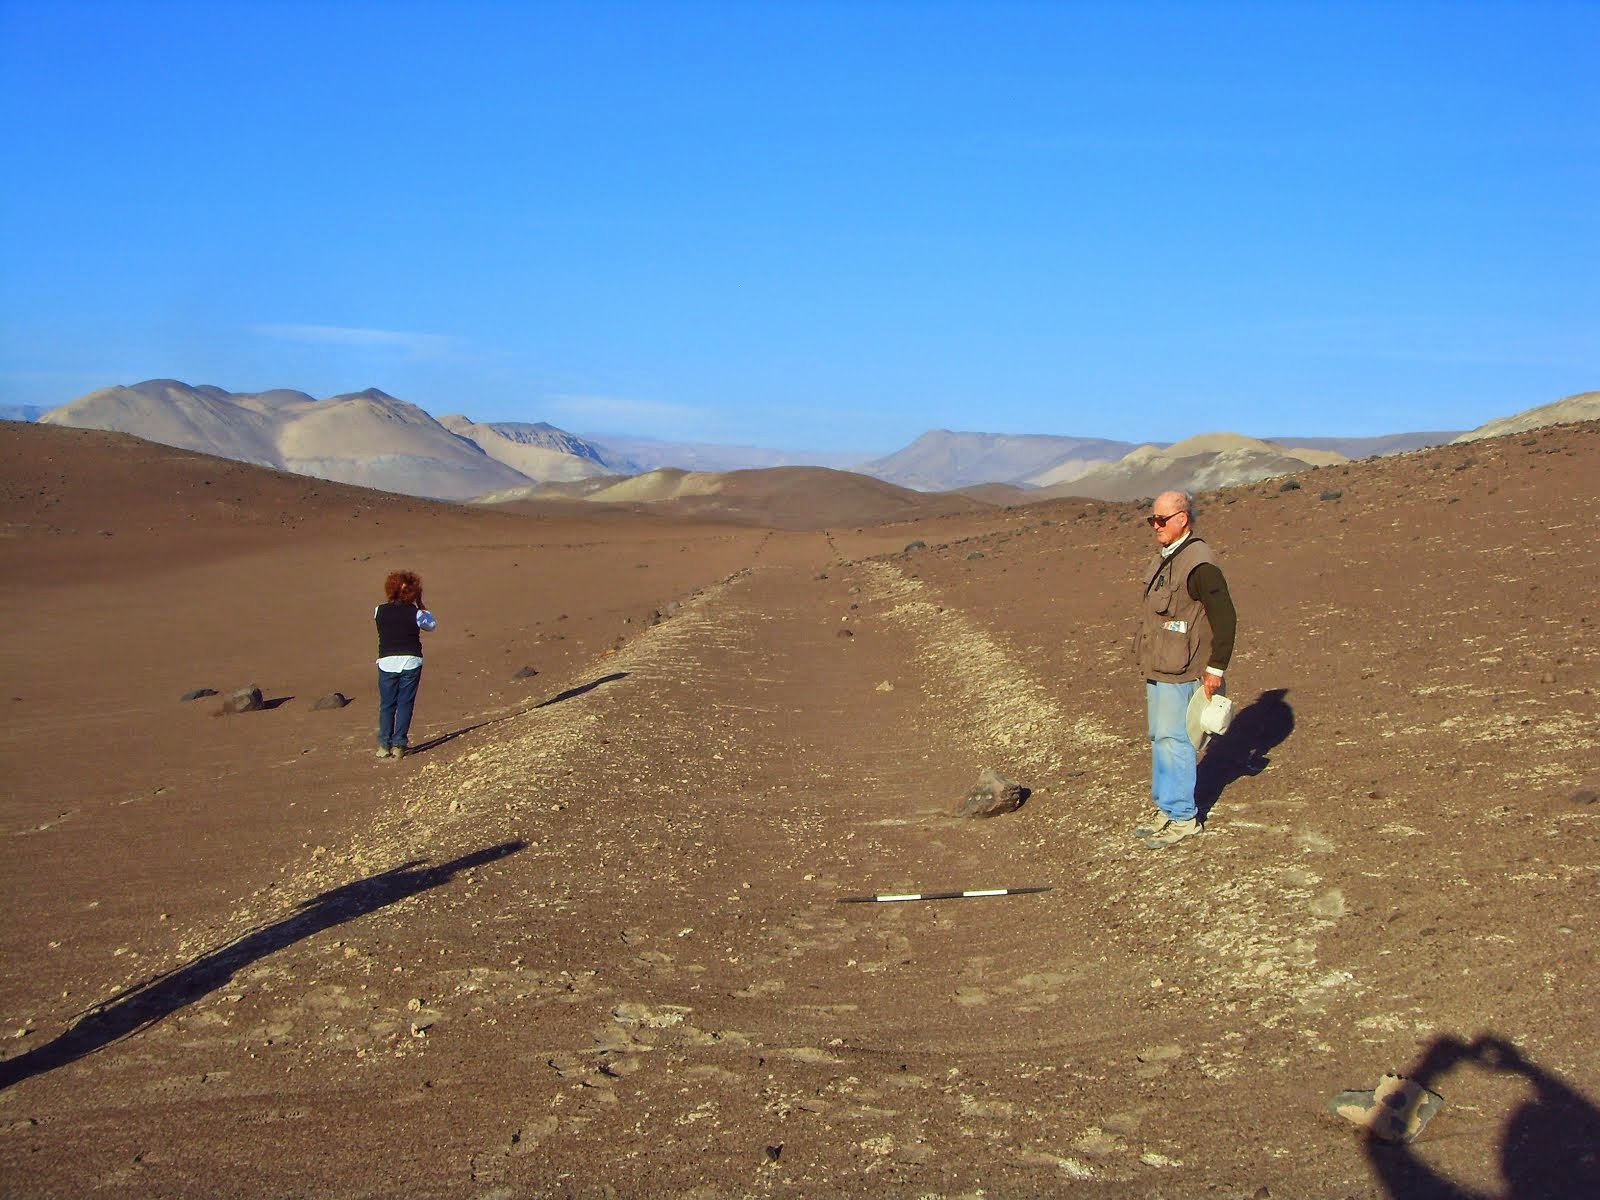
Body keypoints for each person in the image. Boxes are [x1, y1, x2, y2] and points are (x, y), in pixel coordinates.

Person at [1133, 491, 1236, 848]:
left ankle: (1183, 817)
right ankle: (1166, 807)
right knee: (1159, 738)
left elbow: (1226, 618)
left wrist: (1216, 668)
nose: (1156, 527)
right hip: (1161, 666)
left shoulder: (1200, 564)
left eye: (1161, 520)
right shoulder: (1168, 558)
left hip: (1186, 670)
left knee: (1177, 741)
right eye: (1152, 520)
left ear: (1182, 518)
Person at [374, 570, 436, 760]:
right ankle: (399, 744)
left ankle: (384, 745)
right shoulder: (416, 613)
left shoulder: (379, 610)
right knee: (405, 703)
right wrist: (420, 604)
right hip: (410, 660)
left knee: (387, 705)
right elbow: (431, 625)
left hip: (387, 661)